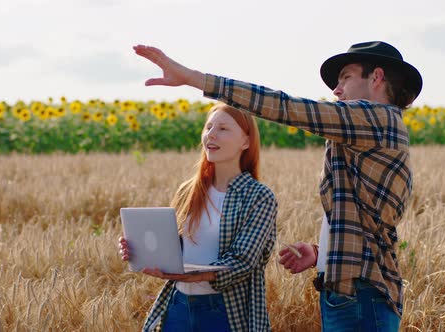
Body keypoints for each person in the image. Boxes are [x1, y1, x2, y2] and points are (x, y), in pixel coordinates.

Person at [132, 40, 422, 331]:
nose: (336, 89)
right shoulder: (368, 133)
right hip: (353, 293)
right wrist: (322, 253)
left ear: (376, 78)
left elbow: (286, 107)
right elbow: (369, 218)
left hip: (361, 297)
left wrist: (192, 78)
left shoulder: (377, 119)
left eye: (346, 77)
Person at [119, 103, 278, 332]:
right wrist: (142, 250)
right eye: (208, 127)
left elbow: (242, 261)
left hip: (225, 313)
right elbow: (175, 249)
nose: (211, 134)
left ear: (246, 141)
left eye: (223, 128)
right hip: (177, 307)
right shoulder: (188, 190)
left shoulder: (259, 197)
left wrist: (191, 275)